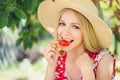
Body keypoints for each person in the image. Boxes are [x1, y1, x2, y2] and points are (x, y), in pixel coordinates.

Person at [37, 0, 116, 80]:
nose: (65, 32)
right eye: (62, 24)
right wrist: (51, 66)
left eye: (75, 27)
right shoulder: (57, 58)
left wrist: (88, 72)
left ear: (87, 32)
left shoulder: (104, 60)